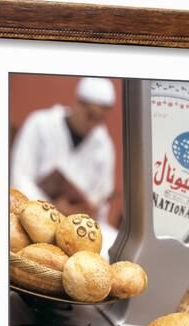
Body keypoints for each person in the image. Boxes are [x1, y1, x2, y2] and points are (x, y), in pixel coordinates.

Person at [10, 77, 117, 229]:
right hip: (34, 217)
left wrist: (78, 210)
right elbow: (19, 177)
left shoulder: (104, 146)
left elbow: (101, 200)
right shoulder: (40, 124)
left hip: (77, 226)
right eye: (90, 116)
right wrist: (52, 208)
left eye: (99, 119)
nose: (93, 124)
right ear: (78, 103)